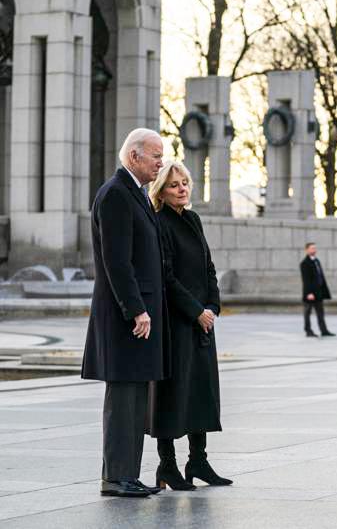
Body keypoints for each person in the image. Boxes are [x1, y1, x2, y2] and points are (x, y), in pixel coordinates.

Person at [81, 128, 168, 498]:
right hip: (126, 317)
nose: (160, 163)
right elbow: (117, 262)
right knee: (123, 399)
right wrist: (136, 309)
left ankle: (127, 475)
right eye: (155, 155)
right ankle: (116, 477)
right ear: (134, 156)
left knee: (135, 399)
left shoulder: (135, 193)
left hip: (138, 315)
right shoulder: (116, 194)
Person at [146, 161, 232, 490]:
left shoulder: (193, 220)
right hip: (176, 323)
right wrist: (196, 311)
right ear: (161, 192)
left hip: (201, 322)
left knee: (201, 391)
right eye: (174, 185)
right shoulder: (159, 223)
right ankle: (167, 466)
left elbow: (208, 267)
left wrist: (212, 306)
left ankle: (198, 461)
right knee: (172, 393)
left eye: (185, 183)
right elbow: (166, 277)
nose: (182, 189)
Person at [300, 242, 335, 337]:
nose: (314, 250)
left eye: (315, 248)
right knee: (307, 312)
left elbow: (320, 277)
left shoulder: (317, 261)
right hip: (310, 293)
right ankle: (308, 331)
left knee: (320, 312)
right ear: (307, 250)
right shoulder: (304, 263)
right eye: (312, 248)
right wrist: (309, 293)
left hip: (318, 292)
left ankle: (324, 330)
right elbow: (306, 280)